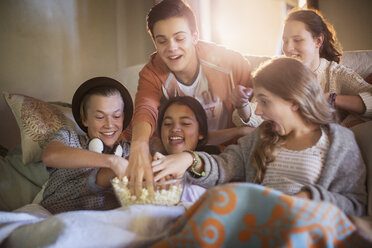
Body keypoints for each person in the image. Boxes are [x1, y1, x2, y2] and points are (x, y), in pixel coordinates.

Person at [152, 57, 367, 216]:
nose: (257, 112)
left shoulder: (340, 143)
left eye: (264, 101)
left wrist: (311, 198)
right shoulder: (261, 136)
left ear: (293, 101)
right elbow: (225, 166)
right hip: (260, 223)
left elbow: (356, 205)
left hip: (306, 228)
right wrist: (190, 158)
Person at [126, 0, 254, 196]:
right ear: (154, 42)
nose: (171, 48)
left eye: (179, 38)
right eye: (162, 41)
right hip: (180, 161)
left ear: (195, 36)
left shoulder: (230, 62)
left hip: (230, 158)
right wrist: (139, 146)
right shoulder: (152, 73)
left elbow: (257, 114)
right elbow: (146, 109)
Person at [233, 8, 372, 127]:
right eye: (285, 41)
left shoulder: (335, 74)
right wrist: (242, 105)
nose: (288, 48)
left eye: (297, 40)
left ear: (318, 41)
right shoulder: (277, 70)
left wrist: (328, 98)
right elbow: (255, 117)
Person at [41, 77, 133, 214]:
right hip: (57, 217)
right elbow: (51, 156)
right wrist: (112, 161)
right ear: (84, 119)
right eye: (100, 117)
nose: (109, 124)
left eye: (116, 116)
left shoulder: (129, 151)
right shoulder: (69, 137)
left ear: (123, 117)